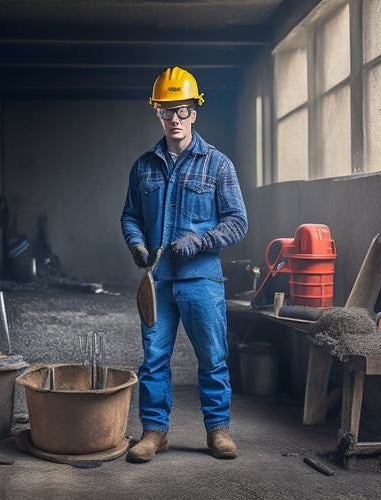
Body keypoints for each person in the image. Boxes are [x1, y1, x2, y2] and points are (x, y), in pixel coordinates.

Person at [121, 66, 248, 463]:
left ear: (195, 111)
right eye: (165, 111)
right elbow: (129, 215)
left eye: (181, 110)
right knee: (154, 360)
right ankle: (154, 433)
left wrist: (203, 241)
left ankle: (218, 431)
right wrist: (137, 244)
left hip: (202, 280)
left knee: (212, 359)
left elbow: (238, 222)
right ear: (156, 112)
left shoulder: (218, 165)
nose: (174, 119)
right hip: (157, 281)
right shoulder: (143, 167)